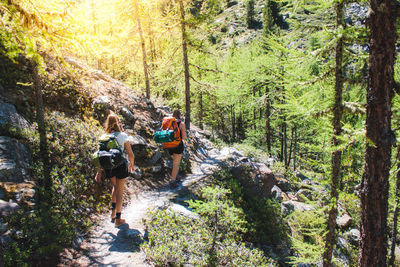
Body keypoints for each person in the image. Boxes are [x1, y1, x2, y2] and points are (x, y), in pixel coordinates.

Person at [94, 113, 135, 227]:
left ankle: (112, 214)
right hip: (120, 166)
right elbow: (130, 154)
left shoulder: (103, 137)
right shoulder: (122, 136)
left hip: (108, 167)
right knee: (120, 192)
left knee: (115, 187)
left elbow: (98, 155)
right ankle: (118, 219)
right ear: (117, 122)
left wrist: (99, 172)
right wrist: (132, 165)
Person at [167, 110, 187, 188]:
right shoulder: (181, 124)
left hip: (169, 145)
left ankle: (176, 176)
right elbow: (184, 137)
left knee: (174, 162)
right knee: (176, 163)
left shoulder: (169, 122)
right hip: (178, 145)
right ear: (180, 115)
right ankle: (172, 181)